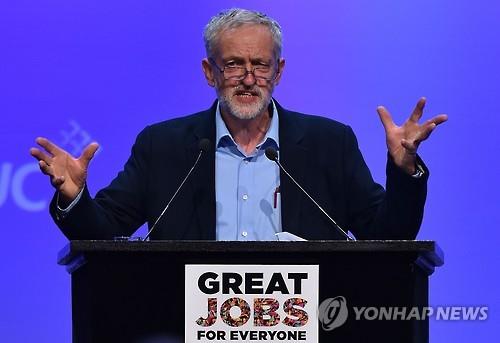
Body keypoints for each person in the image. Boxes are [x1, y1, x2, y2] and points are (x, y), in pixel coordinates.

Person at [30, 8, 447, 241]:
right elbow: (103, 233)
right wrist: (75, 196)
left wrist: (405, 170)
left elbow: (389, 235)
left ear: (278, 72)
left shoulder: (329, 143)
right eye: (233, 64)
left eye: (260, 65)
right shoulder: (163, 146)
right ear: (209, 73)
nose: (248, 78)